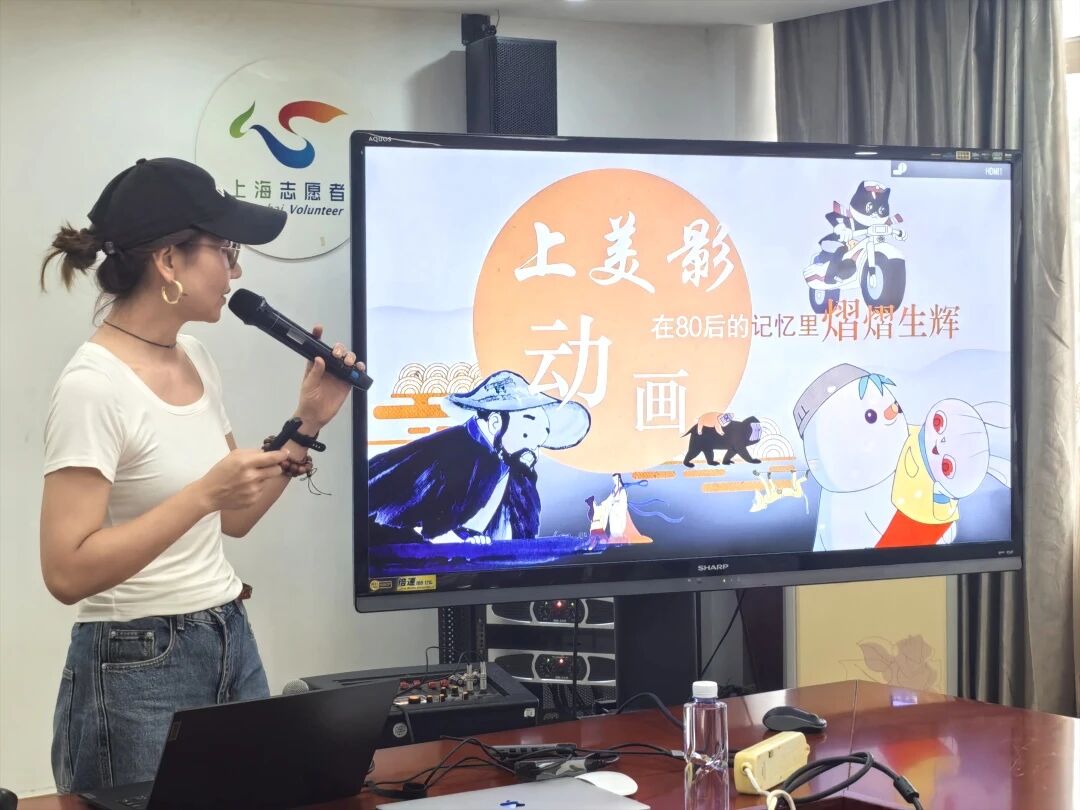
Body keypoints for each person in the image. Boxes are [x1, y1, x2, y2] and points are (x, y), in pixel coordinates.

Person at [38, 157, 363, 793]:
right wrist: (200, 495)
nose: (236, 272)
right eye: (226, 250)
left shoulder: (193, 356)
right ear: (168, 261)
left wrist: (307, 422)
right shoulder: (92, 386)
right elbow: (66, 572)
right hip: (136, 664)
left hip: (228, 636)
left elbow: (234, 516)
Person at [367, 370, 590, 545]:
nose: (532, 451)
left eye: (537, 442)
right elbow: (387, 519)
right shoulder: (444, 455)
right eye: (526, 436)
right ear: (495, 423)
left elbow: (521, 535)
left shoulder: (515, 470)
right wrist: (450, 542)